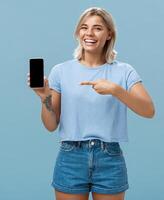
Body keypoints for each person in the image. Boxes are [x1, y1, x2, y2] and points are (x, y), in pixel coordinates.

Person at [27, 7, 155, 200]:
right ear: (78, 32)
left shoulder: (124, 71)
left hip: (109, 158)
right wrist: (44, 97)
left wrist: (115, 90)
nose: (89, 33)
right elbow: (51, 125)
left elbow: (148, 110)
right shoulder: (61, 71)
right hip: (71, 156)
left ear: (109, 34)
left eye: (97, 28)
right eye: (84, 27)